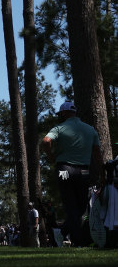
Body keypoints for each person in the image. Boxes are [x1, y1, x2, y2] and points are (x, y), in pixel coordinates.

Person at [42, 101, 104, 247]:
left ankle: (65, 233)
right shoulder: (90, 130)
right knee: (82, 207)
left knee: (70, 204)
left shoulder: (59, 127)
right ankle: (76, 239)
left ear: (63, 113)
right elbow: (97, 154)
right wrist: (102, 174)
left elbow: (46, 141)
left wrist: (52, 157)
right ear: (75, 112)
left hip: (64, 169)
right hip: (83, 171)